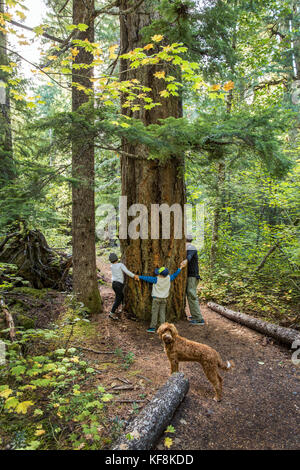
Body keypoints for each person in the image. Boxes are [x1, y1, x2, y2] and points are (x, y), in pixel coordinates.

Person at [139, 262, 187, 333]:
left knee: (155, 313)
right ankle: (163, 328)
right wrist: (180, 268)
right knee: (162, 313)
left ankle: (152, 327)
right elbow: (175, 275)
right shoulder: (169, 278)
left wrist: (139, 276)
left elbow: (146, 278)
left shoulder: (156, 279)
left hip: (156, 299)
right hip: (164, 299)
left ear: (159, 274)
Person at [108, 253, 139, 320]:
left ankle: (122, 308)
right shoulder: (120, 265)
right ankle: (112, 313)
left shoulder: (111, 266)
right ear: (116, 258)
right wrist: (134, 276)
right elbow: (127, 272)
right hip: (119, 284)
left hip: (114, 284)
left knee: (121, 296)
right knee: (118, 298)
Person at [184, 234, 205, 325]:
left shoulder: (191, 247)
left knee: (191, 294)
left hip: (193, 276)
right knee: (190, 294)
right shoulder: (187, 248)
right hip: (189, 276)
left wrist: (185, 261)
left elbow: (189, 257)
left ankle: (199, 319)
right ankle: (195, 314)